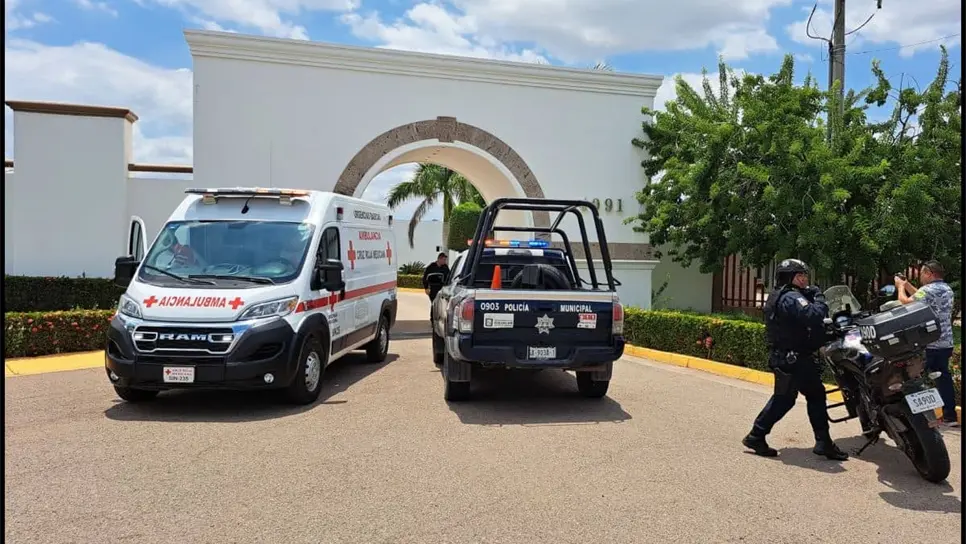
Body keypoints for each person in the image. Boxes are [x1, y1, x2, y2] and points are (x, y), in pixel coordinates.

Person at [742, 258, 849, 460]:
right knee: (794, 398)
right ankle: (757, 435)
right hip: (794, 359)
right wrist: (819, 298)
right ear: (789, 277)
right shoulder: (791, 297)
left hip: (788, 356)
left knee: (803, 396)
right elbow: (813, 314)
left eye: (804, 275)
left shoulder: (781, 295)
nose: (804, 279)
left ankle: (821, 441)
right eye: (800, 275)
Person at [895, 260, 959, 427]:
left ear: (930, 273)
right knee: (943, 378)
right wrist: (907, 283)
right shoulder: (946, 289)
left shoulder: (927, 290)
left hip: (928, 344)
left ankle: (920, 419)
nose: (921, 277)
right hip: (945, 343)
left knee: (914, 379)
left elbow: (905, 302)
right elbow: (921, 297)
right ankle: (949, 416)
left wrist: (900, 287)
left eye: (922, 274)